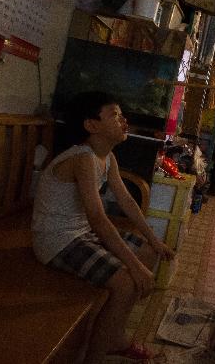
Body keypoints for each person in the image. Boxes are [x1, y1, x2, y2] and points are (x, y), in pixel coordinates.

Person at [32, 91, 175, 363]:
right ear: (91, 125)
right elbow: (98, 219)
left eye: (122, 116)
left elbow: (128, 202)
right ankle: (94, 356)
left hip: (80, 233)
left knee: (148, 253)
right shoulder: (83, 158)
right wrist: (133, 266)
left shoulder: (107, 157)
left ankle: (114, 335)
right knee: (124, 283)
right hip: (57, 241)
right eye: (115, 115)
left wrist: (153, 241)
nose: (124, 121)